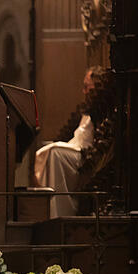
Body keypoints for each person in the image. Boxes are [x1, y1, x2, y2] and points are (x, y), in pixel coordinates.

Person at [34, 66, 101, 217]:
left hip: (87, 155)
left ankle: (59, 212)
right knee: (48, 150)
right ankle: (47, 209)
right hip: (77, 149)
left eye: (87, 87)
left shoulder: (99, 107)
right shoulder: (84, 108)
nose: (84, 91)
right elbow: (69, 135)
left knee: (55, 153)